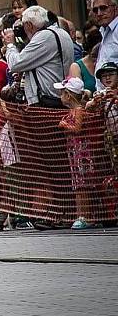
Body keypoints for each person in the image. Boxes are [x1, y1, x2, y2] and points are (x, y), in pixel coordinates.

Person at [3, 5, 74, 107]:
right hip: (60, 96)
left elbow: (15, 64)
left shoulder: (44, 37)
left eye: (24, 25)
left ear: (29, 25)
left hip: (47, 101)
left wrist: (10, 44)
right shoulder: (61, 32)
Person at [54, 77, 94, 229]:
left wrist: (64, 124)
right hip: (74, 152)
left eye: (62, 93)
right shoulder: (72, 110)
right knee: (77, 185)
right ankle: (82, 214)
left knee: (82, 185)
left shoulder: (78, 110)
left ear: (69, 95)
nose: (60, 96)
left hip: (81, 153)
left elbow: (77, 128)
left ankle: (85, 215)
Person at [91, 0, 118, 84]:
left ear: (115, 9)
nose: (99, 13)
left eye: (103, 8)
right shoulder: (104, 31)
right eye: (95, 10)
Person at [69, 28, 102, 93]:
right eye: (94, 55)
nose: (98, 58)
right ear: (89, 49)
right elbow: (76, 95)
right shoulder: (77, 67)